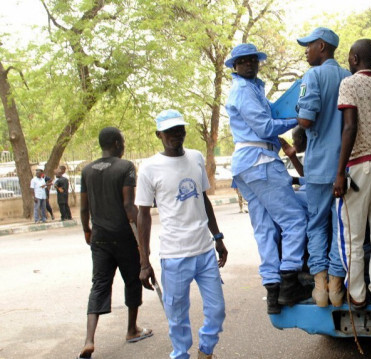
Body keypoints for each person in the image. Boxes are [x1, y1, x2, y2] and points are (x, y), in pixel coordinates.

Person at [225, 43, 310, 314]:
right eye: (243, 61)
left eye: (253, 59)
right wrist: (298, 119)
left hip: (246, 166)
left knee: (265, 229)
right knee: (295, 220)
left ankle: (273, 291)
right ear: (235, 66)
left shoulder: (250, 89)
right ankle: (289, 282)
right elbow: (263, 127)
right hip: (260, 162)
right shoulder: (244, 90)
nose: (250, 64)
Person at [136, 109, 227, 359]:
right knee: (176, 316)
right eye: (171, 131)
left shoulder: (196, 158)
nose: (177, 135)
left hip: (204, 251)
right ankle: (181, 355)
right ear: (159, 135)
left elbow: (204, 200)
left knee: (217, 310)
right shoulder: (149, 168)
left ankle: (206, 350)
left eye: (180, 129)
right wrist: (144, 262)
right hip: (174, 255)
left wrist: (218, 238)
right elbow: (142, 215)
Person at [78, 127, 152, 359]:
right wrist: (142, 239)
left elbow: (83, 207)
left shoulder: (87, 170)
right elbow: (129, 206)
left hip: (99, 237)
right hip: (123, 237)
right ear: (118, 143)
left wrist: (87, 231)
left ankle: (89, 339)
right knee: (132, 280)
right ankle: (132, 330)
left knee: (99, 284)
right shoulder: (126, 166)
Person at [332, 39, 371, 310]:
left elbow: (349, 128)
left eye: (349, 56)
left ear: (355, 58)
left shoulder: (349, 83)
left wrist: (339, 172)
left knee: (352, 236)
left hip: (359, 165)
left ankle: (357, 295)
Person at [296, 27, 351, 307]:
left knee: (316, 225)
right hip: (345, 168)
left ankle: (320, 288)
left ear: (322, 46)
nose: (306, 51)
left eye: (308, 46)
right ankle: (337, 285)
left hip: (318, 169)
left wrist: (297, 115)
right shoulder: (348, 77)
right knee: (341, 227)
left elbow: (306, 120)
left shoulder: (313, 76)